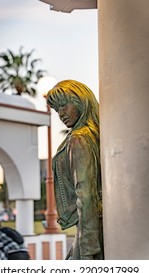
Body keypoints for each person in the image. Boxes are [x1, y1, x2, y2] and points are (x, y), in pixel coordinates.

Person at [47, 79, 104, 260]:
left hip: (90, 231)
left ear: (81, 100)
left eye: (64, 105)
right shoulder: (95, 135)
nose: (61, 114)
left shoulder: (78, 139)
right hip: (98, 227)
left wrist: (87, 248)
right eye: (57, 110)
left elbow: (85, 195)